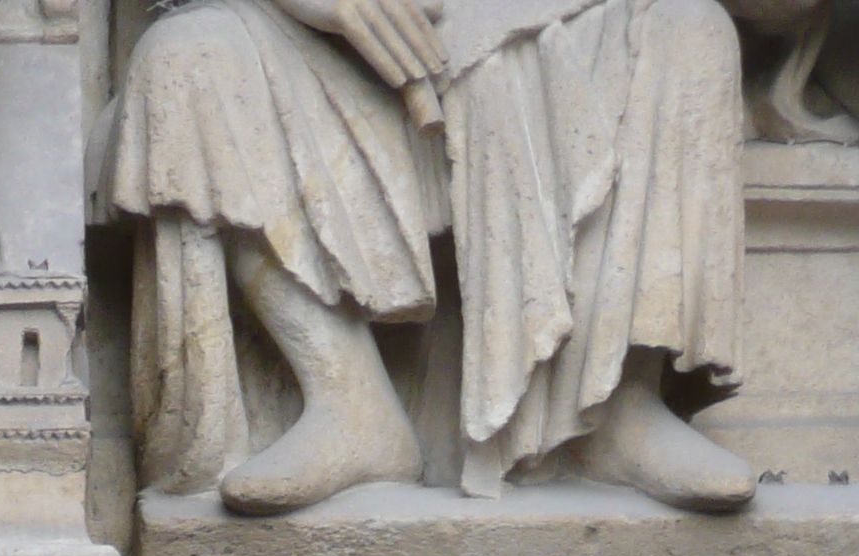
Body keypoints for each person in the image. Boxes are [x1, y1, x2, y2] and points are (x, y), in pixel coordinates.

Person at [105, 0, 754, 510]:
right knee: (185, 57)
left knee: (693, 26)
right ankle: (348, 399)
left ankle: (616, 405)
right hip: (338, 54)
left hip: (556, 39)